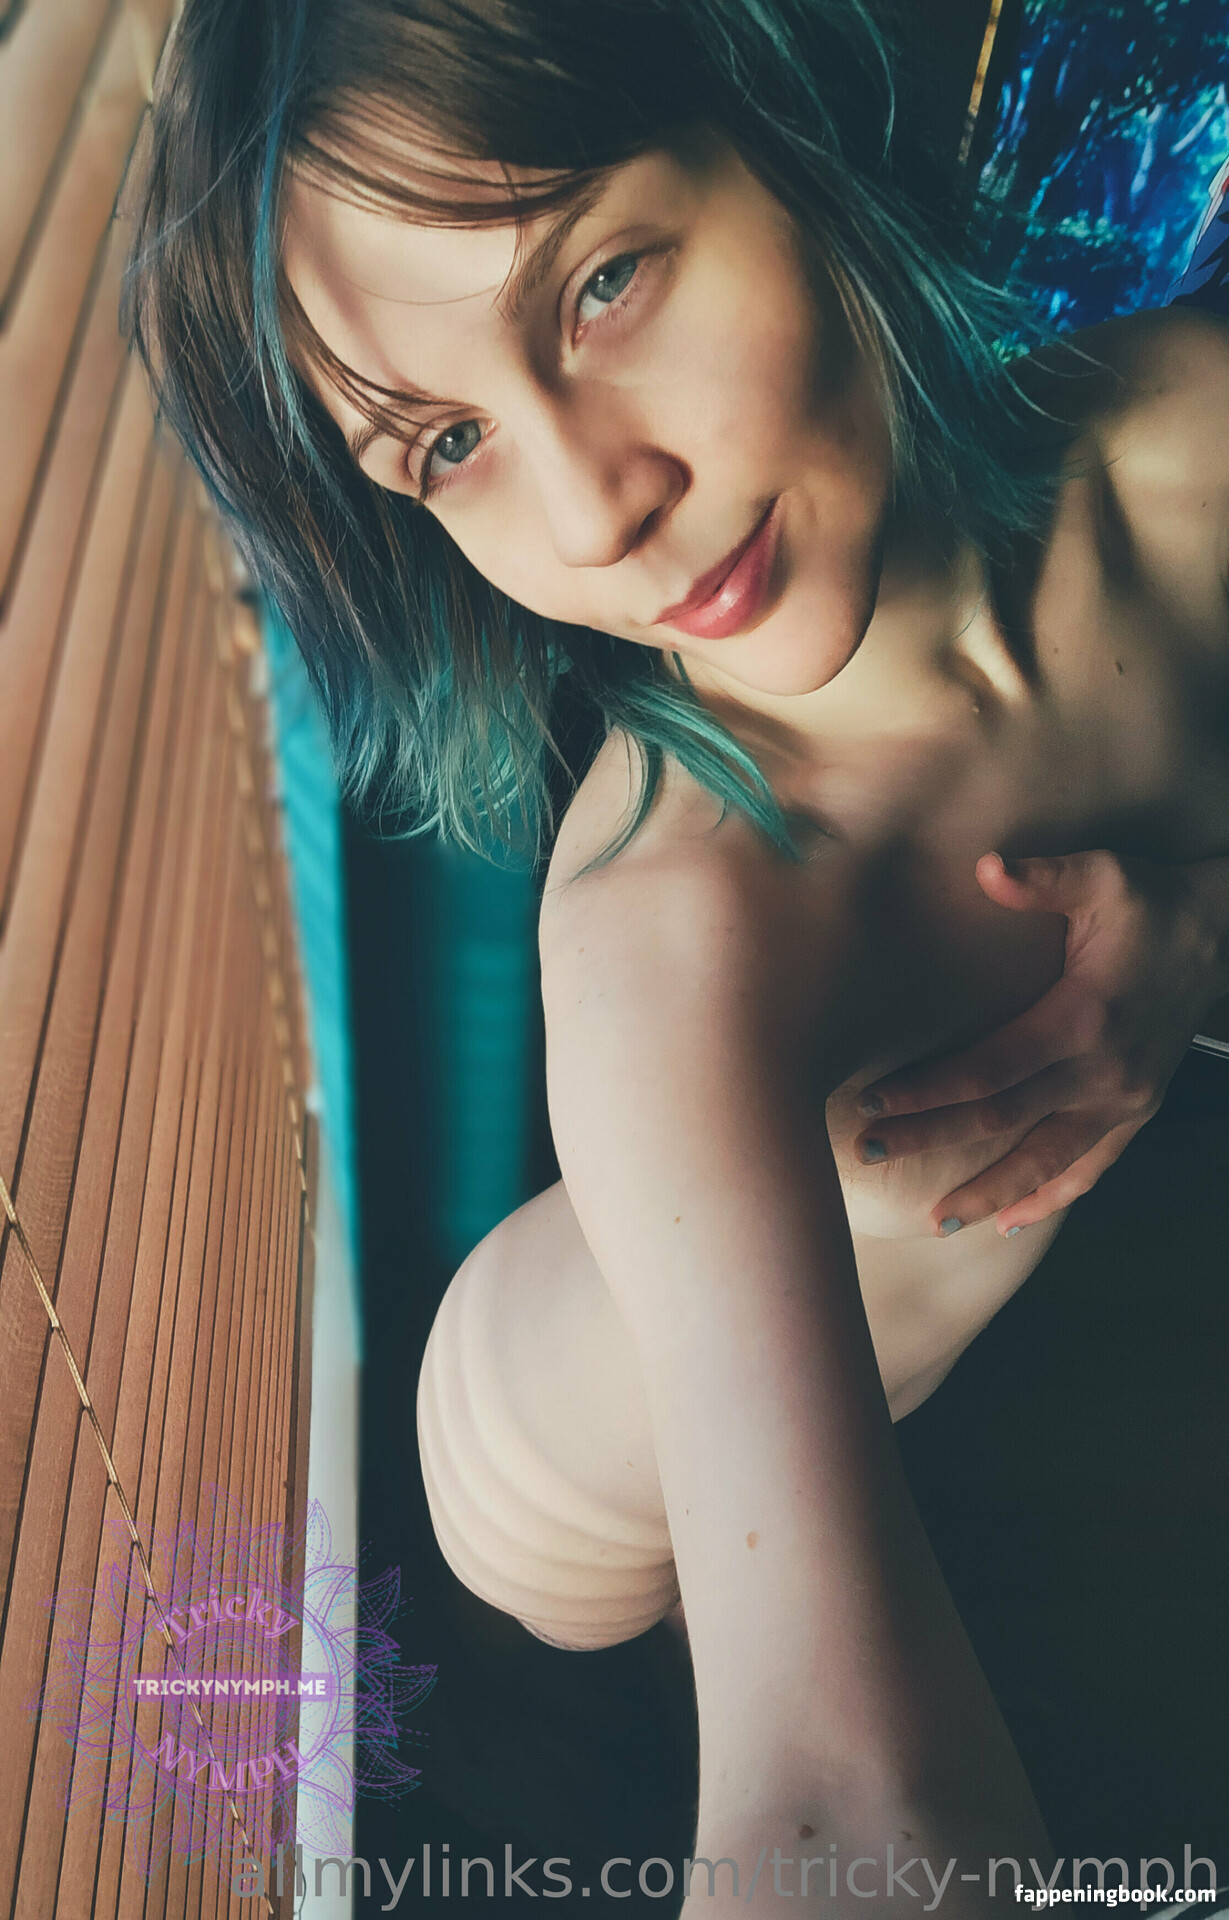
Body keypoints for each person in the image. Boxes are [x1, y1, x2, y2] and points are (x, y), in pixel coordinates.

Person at [126, 0, 1229, 1906]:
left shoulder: (1188, 442)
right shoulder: (681, 921)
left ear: (777, 123)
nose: (594, 509)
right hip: (546, 1491)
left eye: (604, 283)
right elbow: (837, 1805)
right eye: (446, 444)